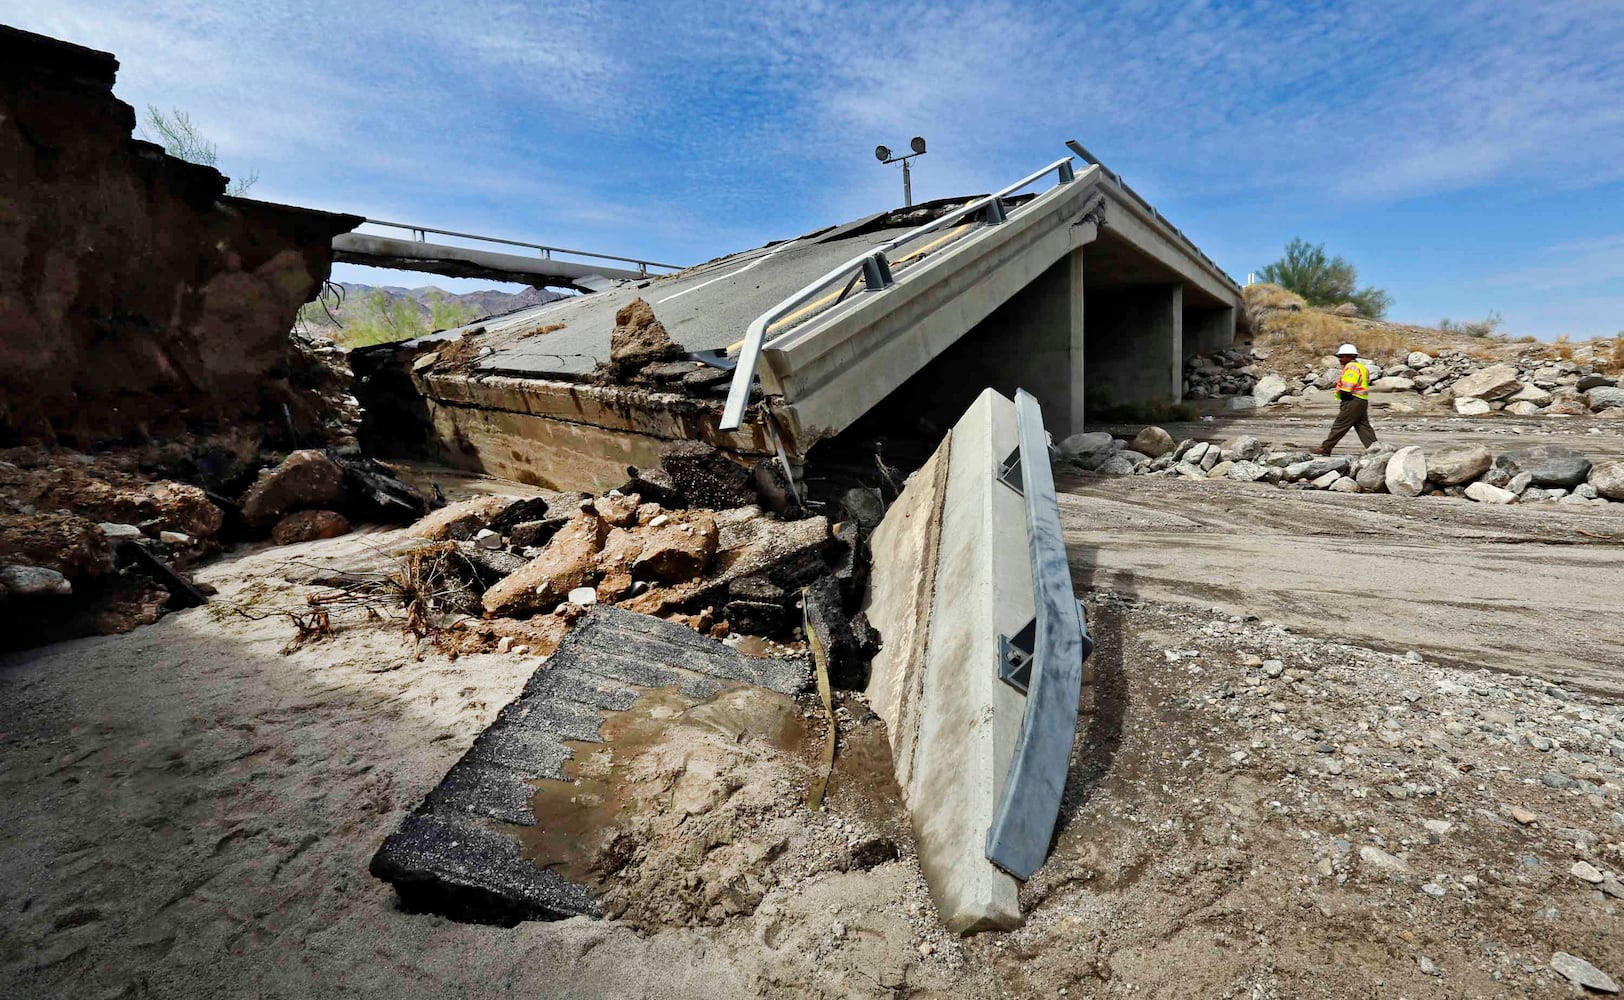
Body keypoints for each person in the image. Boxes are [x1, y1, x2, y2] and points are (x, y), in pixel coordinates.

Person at [1310, 343, 1377, 455]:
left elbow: (1348, 385)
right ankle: (1376, 449)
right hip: (1361, 400)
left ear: (1350, 356)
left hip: (1352, 400)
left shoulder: (1351, 367)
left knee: (1340, 425)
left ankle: (1326, 448)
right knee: (1363, 427)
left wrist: (1344, 395)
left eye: (1342, 356)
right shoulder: (1361, 367)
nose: (1340, 359)